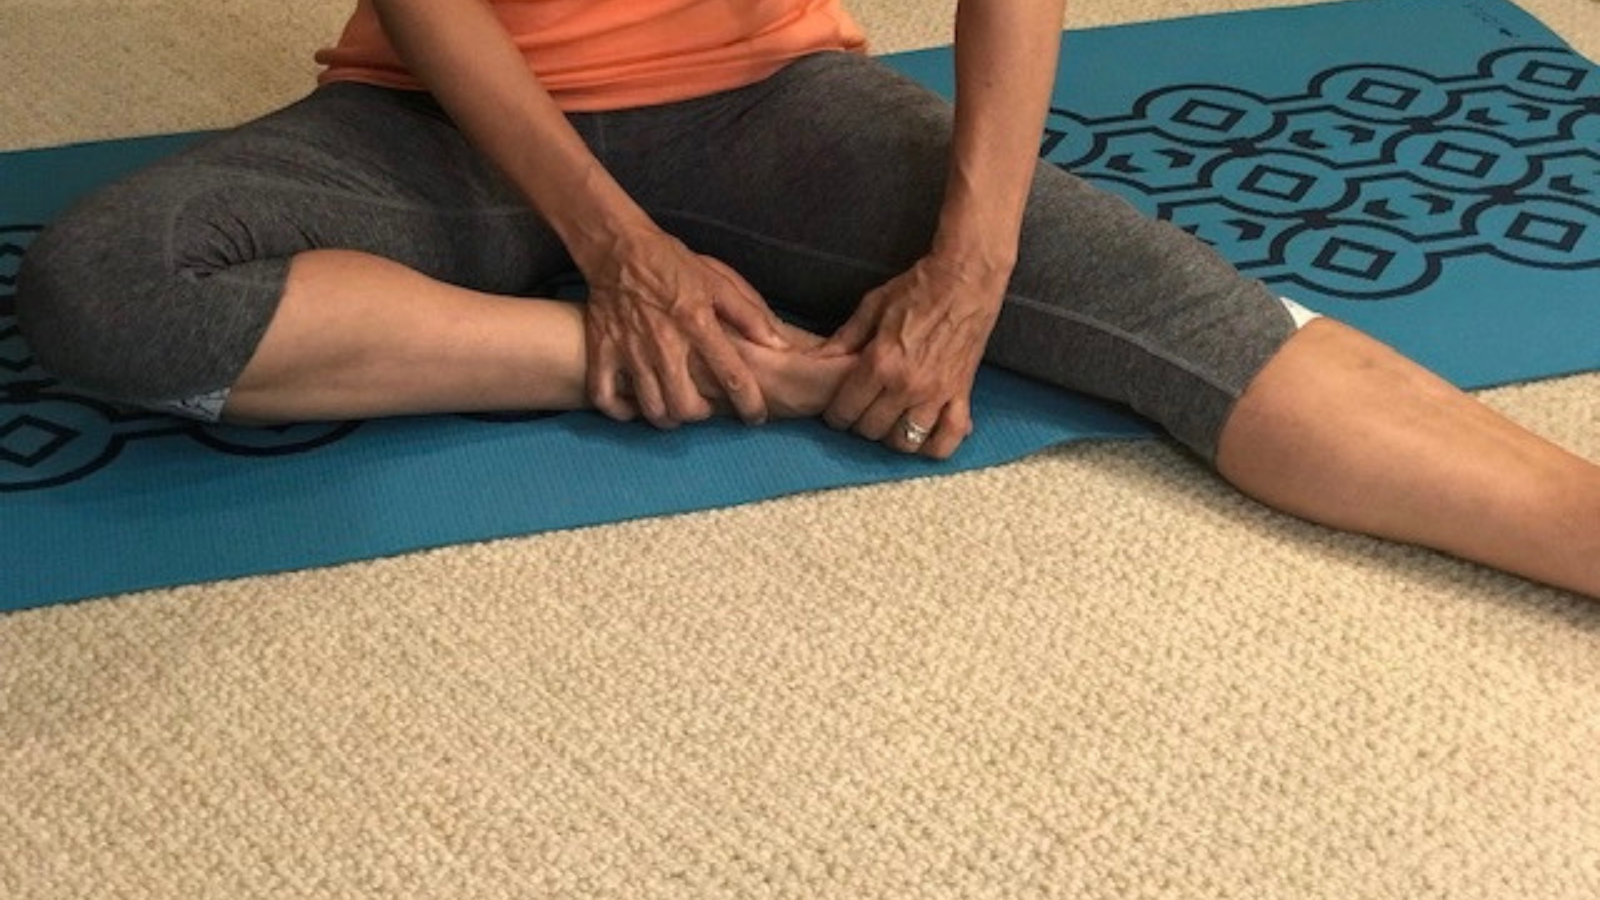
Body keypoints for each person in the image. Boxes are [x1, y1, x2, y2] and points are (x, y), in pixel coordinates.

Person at [14, 0, 1599, 598]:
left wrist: (971, 259)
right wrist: (626, 261)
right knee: (108, 285)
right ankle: (752, 370)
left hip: (772, 108)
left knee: (1167, 303)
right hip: (446, 121)